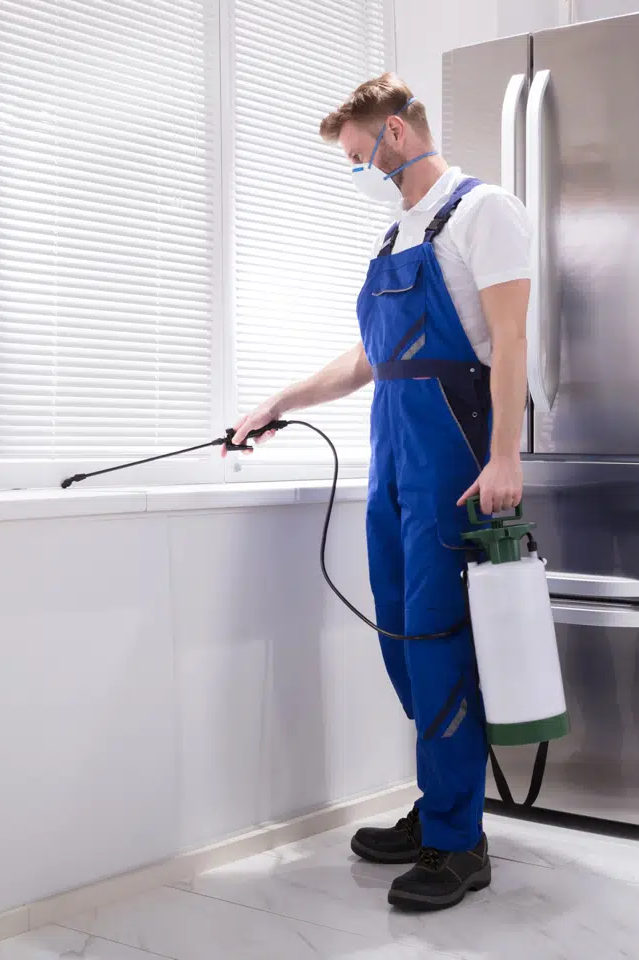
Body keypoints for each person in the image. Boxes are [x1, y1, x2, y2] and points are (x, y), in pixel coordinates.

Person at [230, 73, 531, 911]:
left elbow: (511, 340)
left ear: (396, 132)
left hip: (455, 462)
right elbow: (370, 359)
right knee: (401, 638)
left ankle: (458, 843)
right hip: (393, 461)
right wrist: (279, 403)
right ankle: (440, 803)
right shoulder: (397, 233)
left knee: (439, 641)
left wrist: (505, 456)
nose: (358, 173)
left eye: (359, 157)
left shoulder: (484, 211)